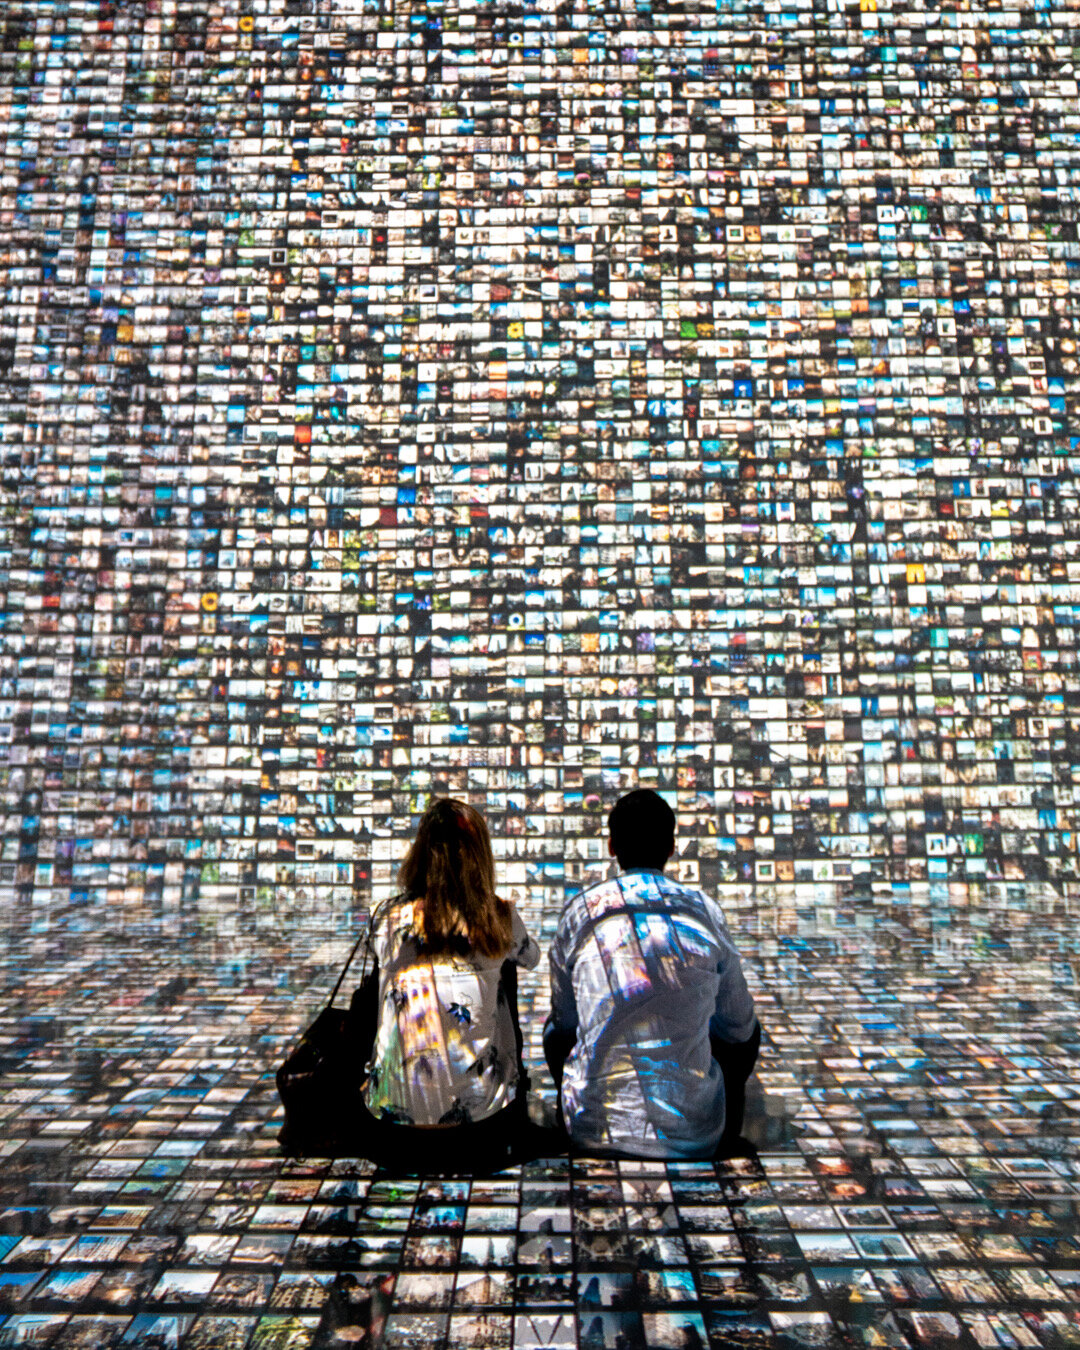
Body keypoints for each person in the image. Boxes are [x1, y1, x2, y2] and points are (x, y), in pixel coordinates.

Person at [544, 788, 760, 1159]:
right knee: (738, 1029)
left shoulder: (581, 911)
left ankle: (587, 1108)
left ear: (612, 846)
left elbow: (564, 1024)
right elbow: (739, 1027)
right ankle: (718, 1129)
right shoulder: (705, 911)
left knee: (557, 1032)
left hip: (593, 1132)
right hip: (692, 1135)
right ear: (671, 847)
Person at [353, 797, 540, 1170]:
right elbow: (531, 958)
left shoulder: (386, 915)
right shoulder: (499, 915)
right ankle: (494, 1087)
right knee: (504, 971)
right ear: (480, 856)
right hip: (480, 1126)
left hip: (390, 1129)